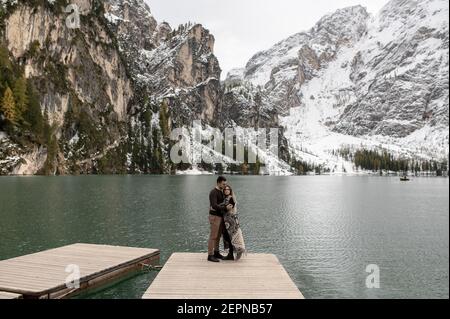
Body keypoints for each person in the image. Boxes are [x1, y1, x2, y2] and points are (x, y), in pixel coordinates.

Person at [207, 176, 233, 262]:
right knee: (213, 236)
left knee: (218, 236)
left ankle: (216, 252)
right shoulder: (213, 192)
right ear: (218, 183)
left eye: (225, 183)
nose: (225, 185)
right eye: (223, 184)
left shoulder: (221, 192)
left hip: (220, 216)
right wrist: (225, 208)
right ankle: (210, 255)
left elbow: (221, 204)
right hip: (214, 217)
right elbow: (214, 205)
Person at [222, 185, 246, 261]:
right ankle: (230, 254)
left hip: (232, 221)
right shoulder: (225, 198)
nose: (226, 190)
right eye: (225, 189)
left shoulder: (231, 198)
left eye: (228, 189)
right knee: (228, 237)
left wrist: (220, 208)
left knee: (234, 236)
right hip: (227, 221)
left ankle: (239, 250)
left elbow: (228, 208)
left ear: (230, 190)